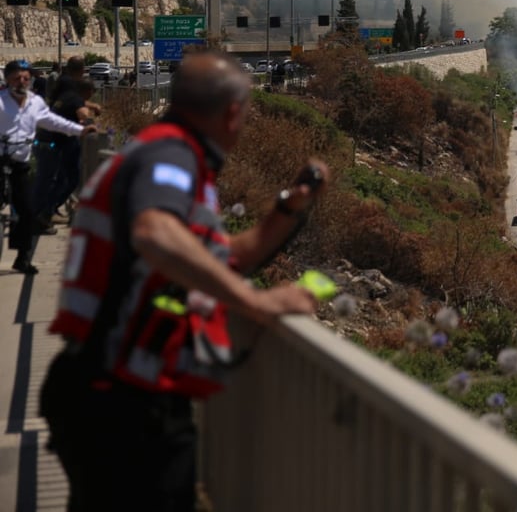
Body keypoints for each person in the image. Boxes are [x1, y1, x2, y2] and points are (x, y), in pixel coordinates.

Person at [39, 52, 326, 511]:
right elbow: (155, 234)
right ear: (233, 113)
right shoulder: (170, 155)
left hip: (112, 391)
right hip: (120, 402)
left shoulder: (161, 154)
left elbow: (214, 259)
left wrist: (285, 214)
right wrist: (258, 303)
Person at [0, 59, 97, 274]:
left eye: (26, 78)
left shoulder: (35, 102)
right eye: (17, 78)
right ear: (7, 80)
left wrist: (79, 130)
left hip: (20, 162)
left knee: (26, 211)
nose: (23, 81)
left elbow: (52, 121)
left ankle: (22, 258)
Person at [33, 76, 96, 231]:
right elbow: (84, 115)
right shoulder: (75, 100)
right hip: (56, 145)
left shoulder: (63, 97)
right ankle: (45, 213)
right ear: (88, 91)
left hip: (45, 142)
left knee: (53, 180)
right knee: (68, 180)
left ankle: (45, 213)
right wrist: (90, 123)